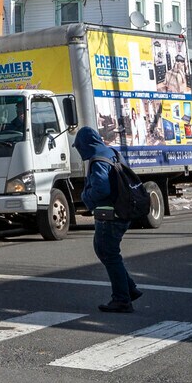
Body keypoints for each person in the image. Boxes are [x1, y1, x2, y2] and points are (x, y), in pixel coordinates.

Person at [76, 125, 144, 314]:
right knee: (105, 251)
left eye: (79, 146)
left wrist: (86, 197)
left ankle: (122, 299)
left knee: (109, 253)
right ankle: (129, 289)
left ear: (85, 144)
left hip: (110, 215)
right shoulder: (112, 153)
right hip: (122, 210)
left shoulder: (98, 160)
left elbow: (102, 188)